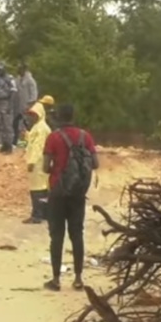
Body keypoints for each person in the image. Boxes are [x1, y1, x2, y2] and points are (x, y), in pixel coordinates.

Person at [42, 104, 99, 291]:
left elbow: (44, 167)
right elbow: (95, 163)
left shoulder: (53, 137)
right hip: (78, 193)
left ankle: (56, 279)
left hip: (58, 191)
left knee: (56, 236)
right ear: (73, 116)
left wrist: (57, 169)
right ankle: (78, 278)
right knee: (77, 234)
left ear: (58, 117)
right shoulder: (85, 136)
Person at [23, 102, 51, 224]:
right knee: (42, 188)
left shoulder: (42, 128)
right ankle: (45, 213)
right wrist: (27, 136)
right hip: (39, 162)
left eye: (34, 115)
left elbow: (38, 147)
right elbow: (33, 142)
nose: (32, 117)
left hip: (38, 162)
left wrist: (32, 162)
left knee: (37, 189)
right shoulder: (38, 127)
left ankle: (37, 215)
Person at [0, 62, 17, 153]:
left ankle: (9, 145)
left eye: (0, 69)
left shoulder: (9, 78)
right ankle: (4, 144)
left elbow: (13, 91)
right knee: (0, 124)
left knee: (7, 124)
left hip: (6, 101)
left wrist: (10, 105)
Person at [15, 63, 39, 144]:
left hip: (28, 106)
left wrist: (30, 105)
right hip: (20, 105)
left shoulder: (30, 80)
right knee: (21, 124)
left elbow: (34, 94)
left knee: (28, 124)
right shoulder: (17, 79)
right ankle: (22, 140)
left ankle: (30, 141)